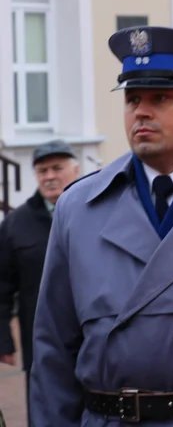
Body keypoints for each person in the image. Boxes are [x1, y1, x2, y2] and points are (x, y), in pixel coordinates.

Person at [31, 26, 173, 426]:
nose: (141, 112)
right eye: (132, 99)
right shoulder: (79, 207)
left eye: (161, 98)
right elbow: (54, 350)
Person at [0, 139, 81, 423]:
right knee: (46, 407)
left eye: (57, 168)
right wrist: (3, 339)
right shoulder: (15, 223)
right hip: (40, 340)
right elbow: (2, 286)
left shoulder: (98, 212)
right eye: (42, 170)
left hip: (95, 336)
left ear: (76, 169)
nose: (49, 176)